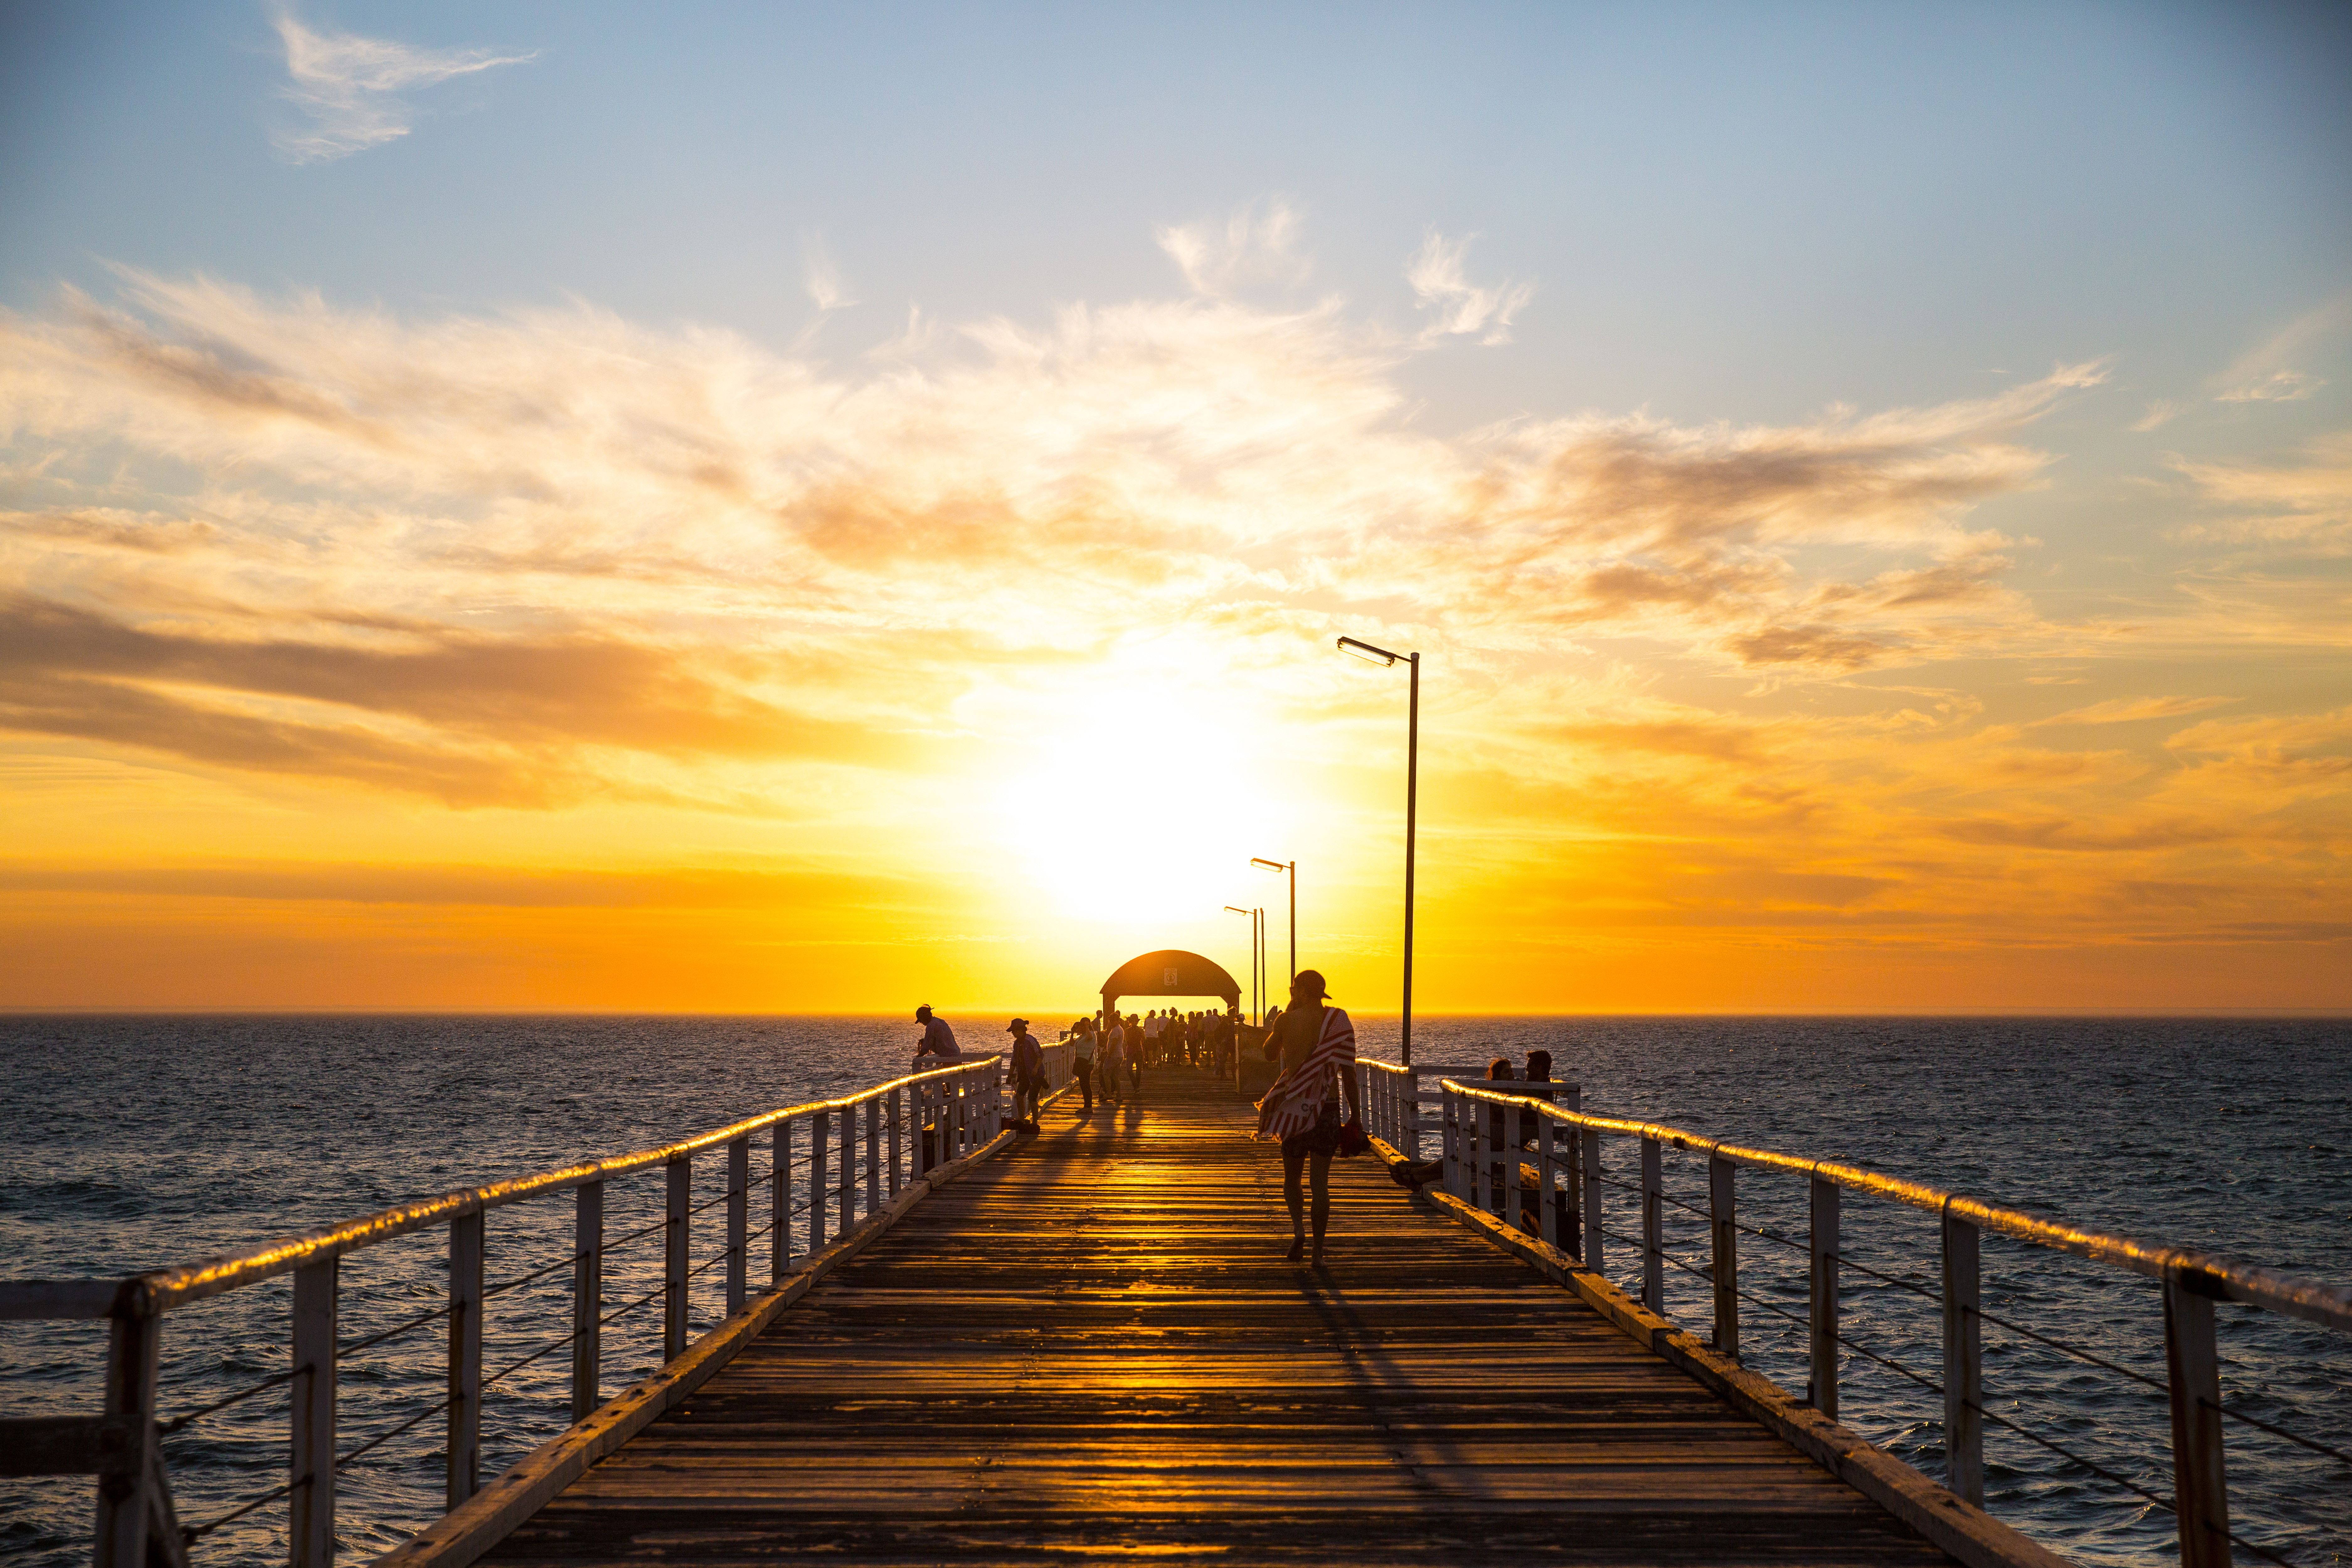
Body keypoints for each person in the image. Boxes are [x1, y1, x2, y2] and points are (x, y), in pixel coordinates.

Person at [1253, 969, 1362, 1263]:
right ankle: (1318, 1252)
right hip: (1327, 1108)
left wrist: (1285, 1019)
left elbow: (1269, 1054)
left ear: (1300, 991)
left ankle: (1299, 1230)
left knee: (1292, 1180)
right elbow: (1349, 1073)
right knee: (1320, 1185)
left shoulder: (1287, 1020)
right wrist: (1356, 1116)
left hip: (1294, 1108)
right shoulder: (1338, 1021)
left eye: (1294, 989)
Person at [1008, 1018, 1043, 1127]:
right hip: (1024, 1076)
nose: (1013, 1033)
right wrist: (1009, 1076)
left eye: (1014, 1031)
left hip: (1036, 1075)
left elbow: (1040, 1055)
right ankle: (1022, 1120)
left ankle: (1035, 1123)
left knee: (1032, 1098)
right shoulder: (1016, 1044)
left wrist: (1036, 1069)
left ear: (1021, 1030)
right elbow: (1014, 1060)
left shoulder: (1030, 1040)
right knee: (1019, 1096)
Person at [912, 1004, 960, 1068]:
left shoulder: (931, 1026)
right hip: (957, 1055)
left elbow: (926, 1047)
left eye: (920, 1020)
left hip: (949, 1058)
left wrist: (917, 1059)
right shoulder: (941, 1022)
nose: (921, 1022)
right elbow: (943, 1040)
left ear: (924, 1017)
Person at [1069, 1018, 1096, 1113]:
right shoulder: (1081, 1037)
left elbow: (1090, 1038)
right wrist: (1072, 1033)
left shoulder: (1091, 1034)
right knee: (1083, 1084)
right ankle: (1087, 1106)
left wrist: (1087, 1026)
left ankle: (1089, 1107)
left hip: (1088, 1063)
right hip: (1081, 1062)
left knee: (1086, 1084)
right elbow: (1072, 1044)